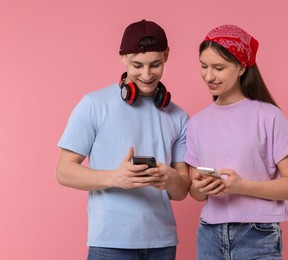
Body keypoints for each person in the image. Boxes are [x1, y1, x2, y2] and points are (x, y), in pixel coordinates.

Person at [56, 19, 191, 260]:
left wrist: (170, 178)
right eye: (137, 65)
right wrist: (115, 178)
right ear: (123, 58)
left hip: (163, 243)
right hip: (110, 244)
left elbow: (181, 192)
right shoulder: (93, 105)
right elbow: (63, 172)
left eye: (155, 64)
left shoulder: (179, 117)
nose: (147, 74)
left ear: (167, 56)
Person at [184, 24, 288, 260]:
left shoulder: (268, 116)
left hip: (258, 235)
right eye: (203, 66)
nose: (209, 76)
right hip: (209, 234)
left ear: (241, 67)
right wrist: (199, 188)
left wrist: (241, 186)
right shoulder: (197, 123)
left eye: (219, 68)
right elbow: (196, 194)